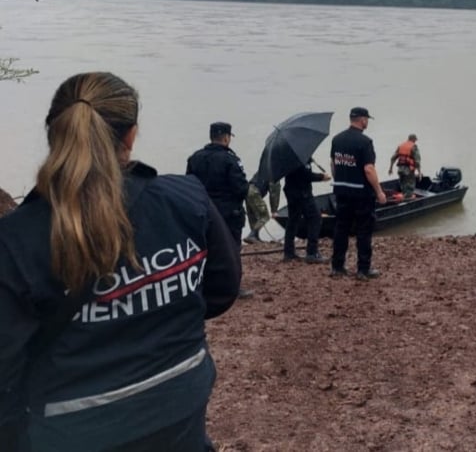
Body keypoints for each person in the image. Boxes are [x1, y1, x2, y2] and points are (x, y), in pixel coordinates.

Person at [0, 72, 241, 451]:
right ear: (131, 135)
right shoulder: (184, 200)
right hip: (178, 406)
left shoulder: (16, 240)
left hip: (69, 428)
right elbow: (222, 289)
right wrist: (151, 312)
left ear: (54, 133)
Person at [187, 121, 253, 299]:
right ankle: (234, 287)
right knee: (232, 250)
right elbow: (241, 189)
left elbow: (189, 185)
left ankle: (203, 284)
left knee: (204, 249)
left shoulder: (195, 158)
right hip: (228, 213)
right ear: (226, 138)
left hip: (203, 211)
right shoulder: (230, 160)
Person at [329, 107, 387, 279]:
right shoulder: (365, 142)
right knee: (363, 230)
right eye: (366, 119)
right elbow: (369, 169)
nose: (367, 122)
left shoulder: (337, 139)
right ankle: (363, 269)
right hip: (361, 194)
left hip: (341, 191)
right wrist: (379, 192)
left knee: (341, 229)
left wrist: (339, 180)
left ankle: (337, 266)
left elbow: (333, 164)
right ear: (362, 120)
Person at [281, 161, 331, 263]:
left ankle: (288, 252)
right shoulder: (300, 160)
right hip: (302, 193)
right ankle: (312, 253)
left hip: (291, 191)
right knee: (315, 218)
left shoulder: (292, 157)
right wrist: (322, 177)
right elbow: (306, 175)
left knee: (293, 220)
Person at [245, 179, 280, 244]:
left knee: (253, 215)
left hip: (247, 189)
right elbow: (274, 193)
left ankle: (255, 238)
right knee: (264, 216)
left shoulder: (265, 169)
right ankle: (252, 235)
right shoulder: (275, 174)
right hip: (254, 192)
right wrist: (274, 210)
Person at [388, 133, 421, 199]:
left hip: (400, 170)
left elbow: (393, 158)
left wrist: (390, 168)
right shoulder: (413, 147)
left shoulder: (401, 146)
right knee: (410, 187)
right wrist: (419, 172)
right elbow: (417, 161)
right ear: (413, 139)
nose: (415, 141)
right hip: (408, 171)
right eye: (415, 140)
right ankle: (407, 201)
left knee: (403, 186)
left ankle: (403, 198)